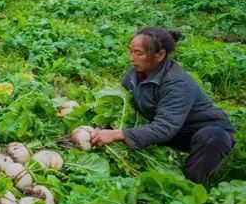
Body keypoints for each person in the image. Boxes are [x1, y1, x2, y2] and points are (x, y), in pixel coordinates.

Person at [91, 26, 235, 185]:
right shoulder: (135, 72)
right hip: (170, 127)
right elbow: (122, 104)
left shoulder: (177, 83)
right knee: (139, 137)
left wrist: (117, 134)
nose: (132, 58)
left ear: (160, 55)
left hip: (199, 132)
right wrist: (101, 126)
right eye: (130, 51)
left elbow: (165, 127)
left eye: (139, 53)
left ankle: (189, 186)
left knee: (212, 138)